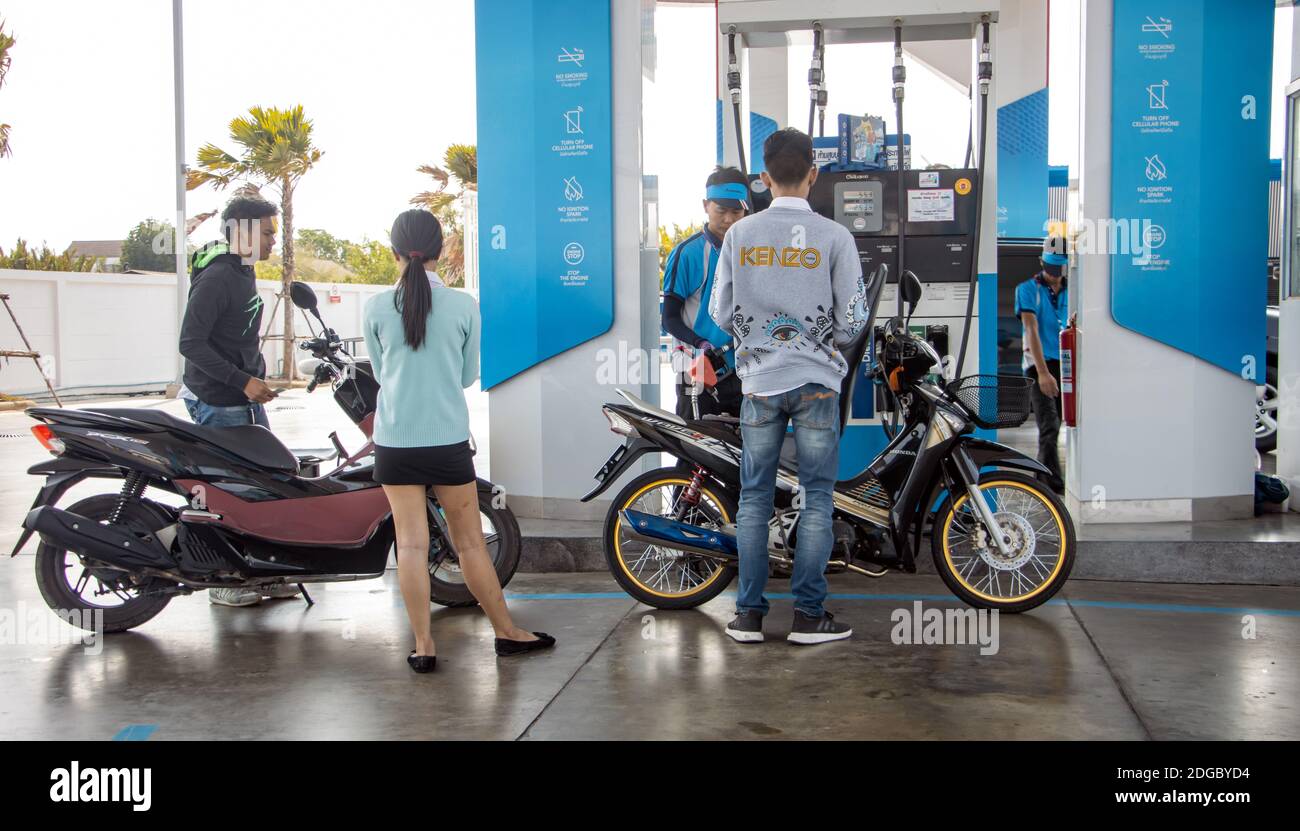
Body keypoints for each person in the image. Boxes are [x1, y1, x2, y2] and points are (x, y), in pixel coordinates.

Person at [363, 209, 555, 674]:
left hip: (393, 443)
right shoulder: (464, 305)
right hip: (446, 441)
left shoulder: (373, 307)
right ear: (442, 250)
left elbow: (379, 373)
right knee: (469, 544)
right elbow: (469, 376)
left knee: (409, 546)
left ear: (394, 252)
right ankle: (507, 634)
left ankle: (424, 645)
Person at [710, 128, 867, 646]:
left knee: (754, 499)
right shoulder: (835, 237)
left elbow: (719, 311)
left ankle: (748, 616)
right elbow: (852, 321)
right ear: (814, 175)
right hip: (818, 382)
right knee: (818, 499)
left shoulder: (739, 235)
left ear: (763, 178)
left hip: (758, 383)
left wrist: (756, 338)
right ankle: (808, 617)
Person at [178, 193, 297, 607]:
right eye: (267, 233)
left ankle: (257, 573)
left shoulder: (241, 271)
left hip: (241, 395)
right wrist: (241, 381)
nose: (273, 242)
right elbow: (190, 343)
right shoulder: (219, 276)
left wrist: (254, 375)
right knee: (226, 491)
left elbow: (236, 335)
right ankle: (222, 580)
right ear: (243, 232)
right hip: (218, 399)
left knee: (261, 484)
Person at [662, 166, 748, 422]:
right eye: (721, 211)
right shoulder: (688, 253)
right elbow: (669, 318)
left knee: (744, 456)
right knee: (693, 454)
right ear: (705, 205)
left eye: (737, 212)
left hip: (746, 371)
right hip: (699, 370)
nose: (729, 220)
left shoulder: (754, 253)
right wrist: (702, 345)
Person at [1015, 236, 1070, 494]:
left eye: (1058, 269)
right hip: (1039, 366)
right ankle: (1053, 487)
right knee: (1049, 425)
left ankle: (1041, 481)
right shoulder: (1027, 289)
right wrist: (1043, 374)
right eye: (1050, 269)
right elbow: (1031, 328)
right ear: (1041, 263)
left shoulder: (1074, 289)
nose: (1054, 275)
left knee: (1065, 424)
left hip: (1067, 363)